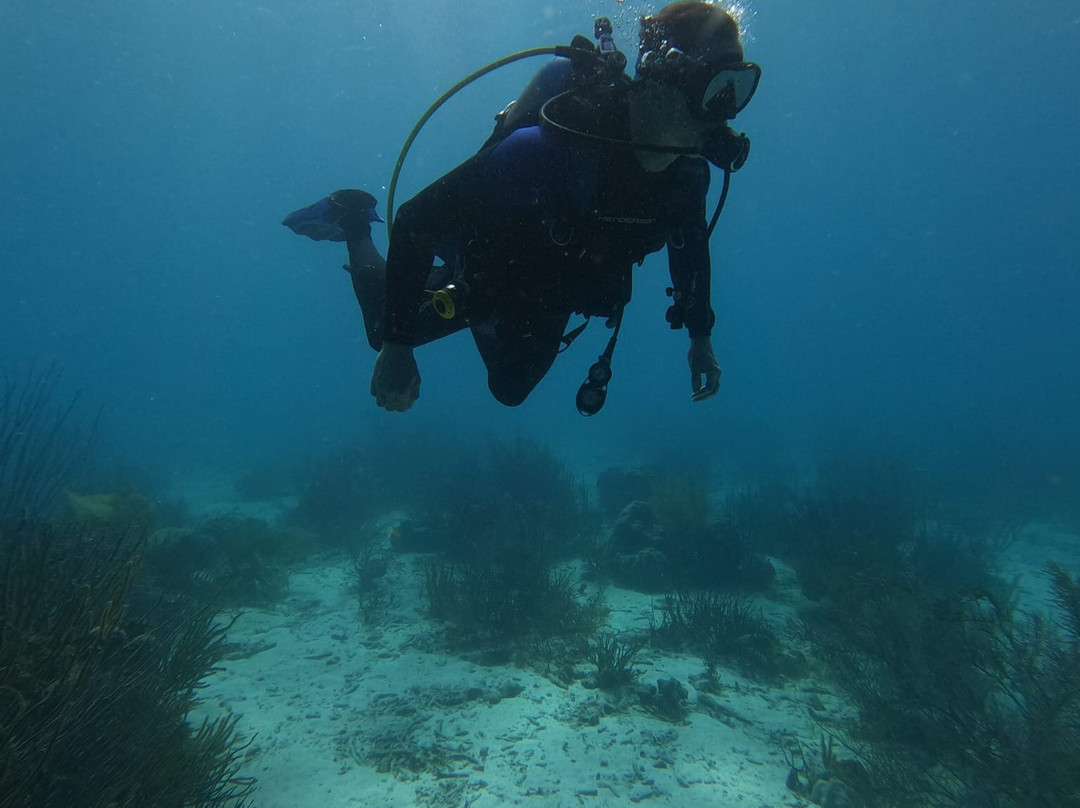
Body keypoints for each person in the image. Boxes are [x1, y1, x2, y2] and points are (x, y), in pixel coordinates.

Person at [284, 2, 760, 415]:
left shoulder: (687, 176)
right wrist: (397, 344)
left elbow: (689, 244)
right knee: (381, 326)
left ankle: (423, 289)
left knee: (509, 390)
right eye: (717, 88)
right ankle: (354, 219)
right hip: (486, 270)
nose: (727, 112)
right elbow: (416, 220)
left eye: (739, 89)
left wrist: (700, 337)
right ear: (662, 78)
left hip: (554, 290)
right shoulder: (553, 150)